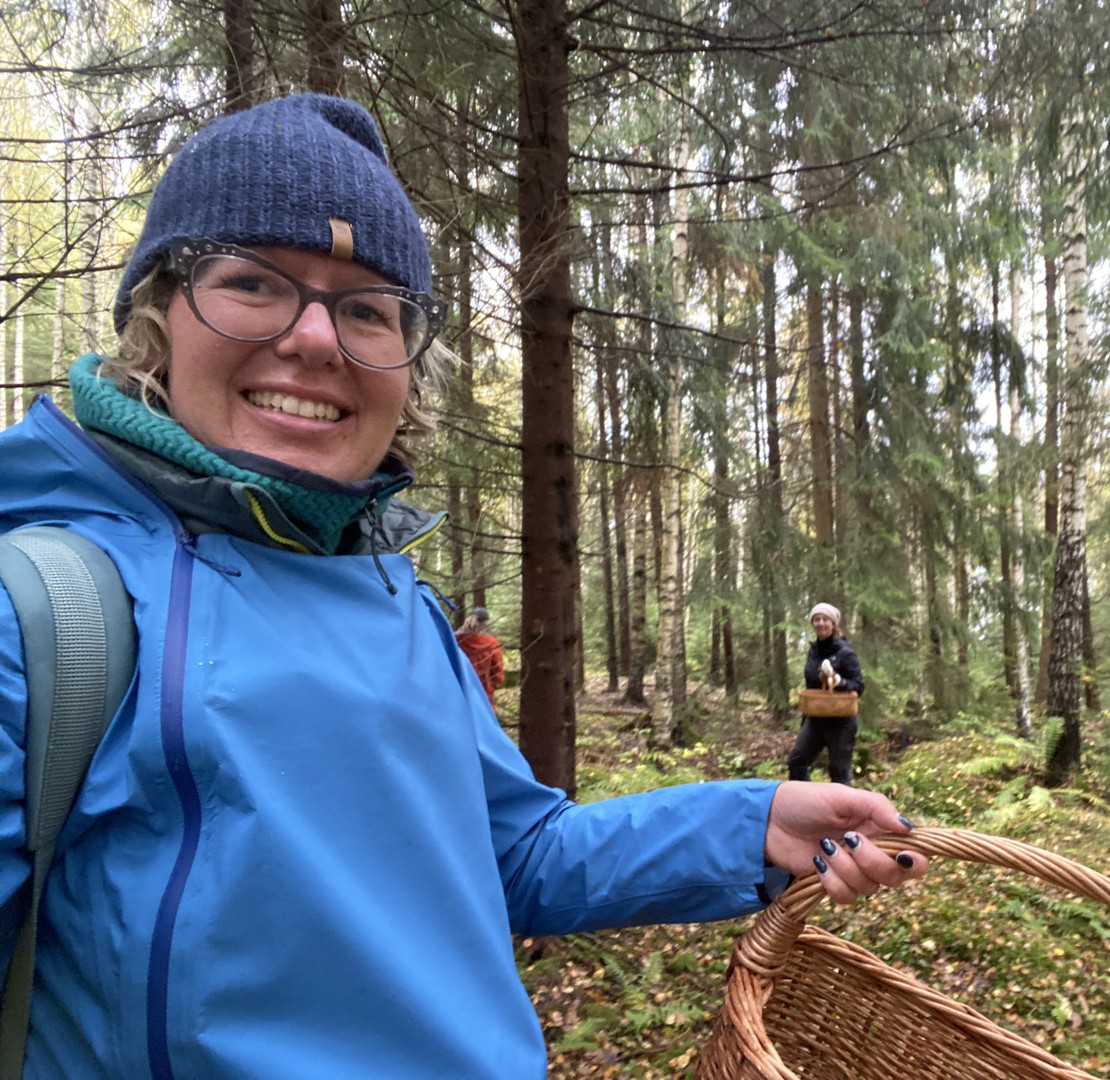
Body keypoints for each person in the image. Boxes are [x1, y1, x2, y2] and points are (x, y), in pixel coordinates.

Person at [0, 94, 928, 1079]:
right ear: (155, 314)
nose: (317, 338)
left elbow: (516, 856)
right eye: (254, 282)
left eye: (366, 307)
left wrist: (750, 825)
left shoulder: (397, 602)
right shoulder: (45, 615)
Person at [787, 602, 865, 785]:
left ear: (833, 623)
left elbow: (859, 685)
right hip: (815, 718)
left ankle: (842, 812)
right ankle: (808, 806)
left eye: (825, 619)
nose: (820, 623)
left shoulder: (845, 652)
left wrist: (839, 682)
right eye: (816, 619)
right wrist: (805, 720)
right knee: (796, 762)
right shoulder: (814, 651)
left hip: (841, 721)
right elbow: (812, 685)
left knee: (839, 772)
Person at [456, 606, 505, 705]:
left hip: (458, 694)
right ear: (485, 624)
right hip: (484, 695)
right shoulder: (492, 643)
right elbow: (497, 672)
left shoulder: (454, 640)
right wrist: (491, 687)